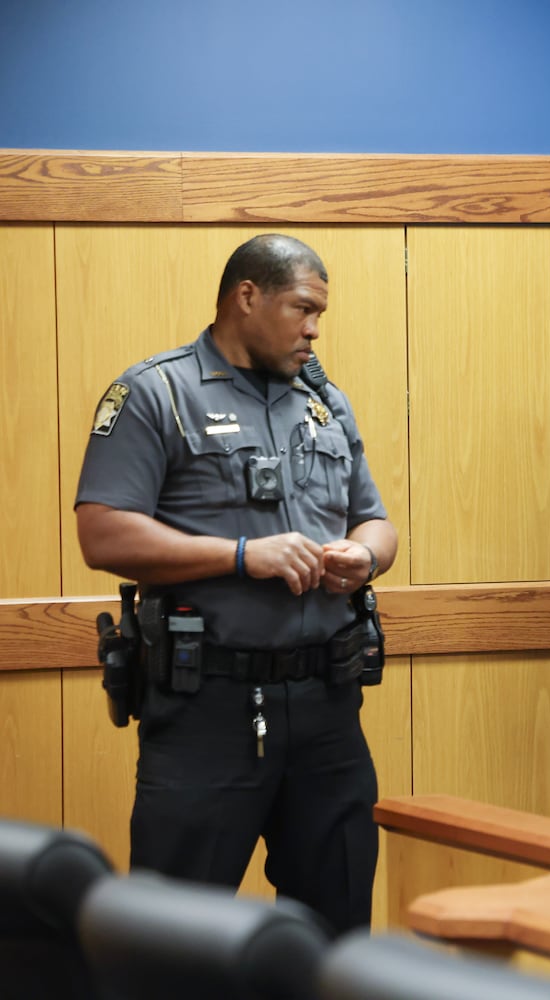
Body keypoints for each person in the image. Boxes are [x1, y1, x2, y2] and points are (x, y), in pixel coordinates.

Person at [75, 233, 398, 933]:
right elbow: (102, 533)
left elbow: (376, 521)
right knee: (172, 936)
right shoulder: (156, 392)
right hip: (208, 711)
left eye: (319, 314)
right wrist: (242, 554)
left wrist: (362, 558)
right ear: (246, 297)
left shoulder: (323, 401)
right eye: (302, 308)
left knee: (337, 932)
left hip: (327, 710)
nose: (314, 328)